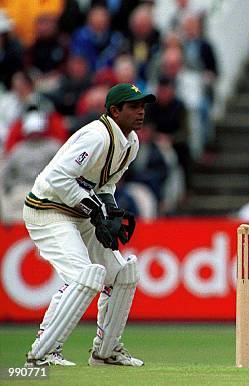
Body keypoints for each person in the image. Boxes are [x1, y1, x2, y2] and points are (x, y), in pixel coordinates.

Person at [22, 83, 156, 366]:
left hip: (78, 212)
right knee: (85, 275)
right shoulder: (96, 136)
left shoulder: (131, 143)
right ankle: (42, 352)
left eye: (143, 106)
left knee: (124, 273)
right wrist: (95, 209)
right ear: (114, 111)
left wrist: (109, 209)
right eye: (133, 107)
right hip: (48, 210)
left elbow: (106, 183)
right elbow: (58, 178)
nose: (141, 112)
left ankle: (106, 351)